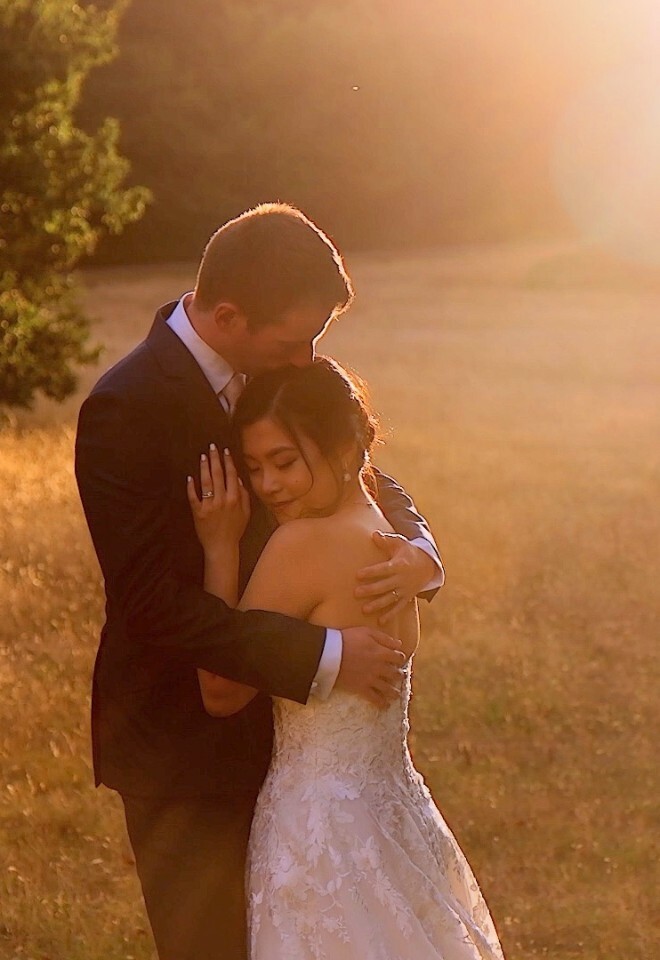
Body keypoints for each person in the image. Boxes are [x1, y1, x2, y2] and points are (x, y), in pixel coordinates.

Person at [74, 203, 444, 960]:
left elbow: (356, 461)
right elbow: (149, 604)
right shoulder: (125, 408)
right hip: (187, 748)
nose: (308, 357)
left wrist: (420, 549)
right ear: (231, 315)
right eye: (295, 338)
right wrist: (326, 655)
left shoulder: (278, 374)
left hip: (295, 753)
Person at [188, 357, 504, 960]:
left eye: (284, 462)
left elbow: (222, 691)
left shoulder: (299, 544)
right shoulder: (389, 536)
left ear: (346, 448)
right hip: (397, 817)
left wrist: (220, 547)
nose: (269, 486)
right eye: (255, 468)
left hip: (319, 829)